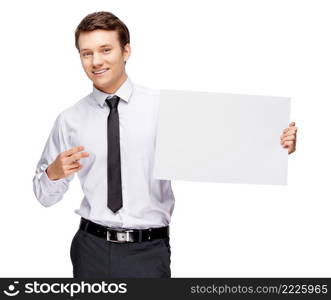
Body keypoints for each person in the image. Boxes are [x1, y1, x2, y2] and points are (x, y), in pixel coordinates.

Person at [32, 11, 298, 278]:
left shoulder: (164, 108)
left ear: (126, 51)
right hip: (90, 249)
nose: (96, 61)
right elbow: (44, 197)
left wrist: (276, 142)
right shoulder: (69, 120)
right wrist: (53, 173)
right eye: (86, 53)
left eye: (105, 49)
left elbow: (224, 144)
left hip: (147, 252)